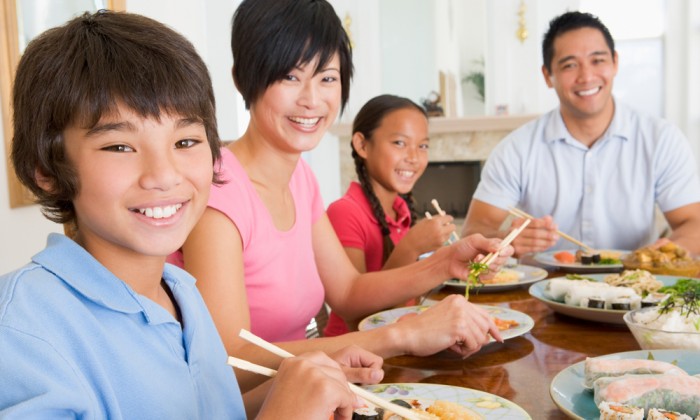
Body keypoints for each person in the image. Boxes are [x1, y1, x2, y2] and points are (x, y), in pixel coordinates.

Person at [0, 10, 383, 419]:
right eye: (119, 147)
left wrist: (300, 383)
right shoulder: (21, 329)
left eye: (186, 141)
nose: (165, 176)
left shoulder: (179, 290)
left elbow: (207, 410)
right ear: (47, 171)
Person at [171, 0, 514, 395]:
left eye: (327, 78)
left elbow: (348, 293)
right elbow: (231, 359)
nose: (311, 99)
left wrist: (447, 262)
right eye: (289, 77)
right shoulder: (218, 193)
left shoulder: (300, 177)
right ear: (242, 79)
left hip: (310, 395)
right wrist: (400, 335)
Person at [462, 11, 700, 257]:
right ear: (547, 76)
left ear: (615, 62)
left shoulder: (661, 139)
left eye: (597, 61)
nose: (586, 77)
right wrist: (507, 239)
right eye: (570, 65)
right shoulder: (516, 148)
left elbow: (693, 224)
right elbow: (474, 231)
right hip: (540, 289)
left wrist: (669, 252)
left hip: (633, 286)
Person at [323, 94, 456, 337]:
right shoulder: (344, 212)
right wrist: (411, 247)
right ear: (362, 145)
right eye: (399, 143)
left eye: (422, 146)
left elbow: (406, 302)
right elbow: (359, 320)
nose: (414, 157)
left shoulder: (401, 211)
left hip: (402, 340)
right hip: (353, 353)